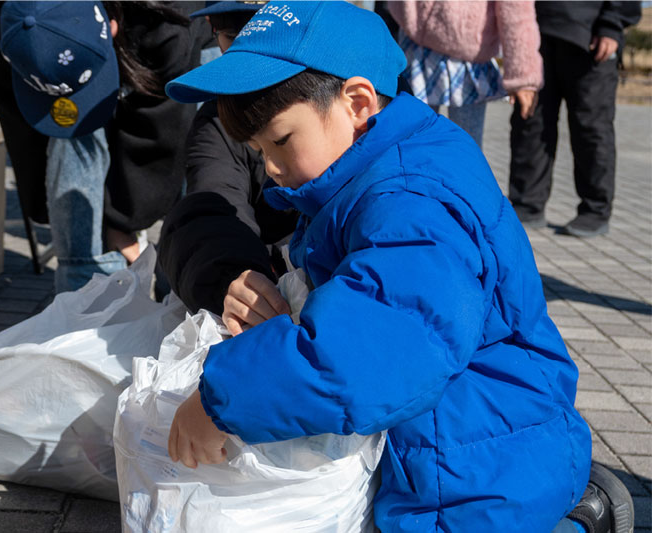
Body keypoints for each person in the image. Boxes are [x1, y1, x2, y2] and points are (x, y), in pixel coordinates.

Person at [161, 3, 629, 531]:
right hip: (455, 436)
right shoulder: (383, 163)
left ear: (357, 101)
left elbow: (362, 351)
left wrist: (220, 398)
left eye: (280, 141)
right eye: (258, 149)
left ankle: (580, 519)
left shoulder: (411, 203)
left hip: (478, 468)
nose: (269, 167)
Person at [0, 1, 207, 292]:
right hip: (99, 28)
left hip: (188, 32)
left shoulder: (166, 22)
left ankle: (183, 283)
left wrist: (122, 219)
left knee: (200, 148)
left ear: (111, 25)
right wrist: (42, 201)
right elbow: (17, 118)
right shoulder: (0, 15)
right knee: (71, 131)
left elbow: (163, 130)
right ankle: (86, 286)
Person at [158, 0, 299, 321]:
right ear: (212, 29)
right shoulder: (215, 122)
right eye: (235, 34)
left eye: (267, 32)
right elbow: (211, 204)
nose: (274, 168)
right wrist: (233, 275)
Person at [509, 1, 641, 236]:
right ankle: (526, 204)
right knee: (530, 121)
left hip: (590, 35)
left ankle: (595, 210)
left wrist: (612, 25)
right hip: (535, 31)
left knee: (591, 128)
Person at [383, 0, 543, 149]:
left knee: (466, 146)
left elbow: (517, 11)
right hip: (414, 44)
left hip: (468, 58)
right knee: (410, 142)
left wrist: (523, 73)